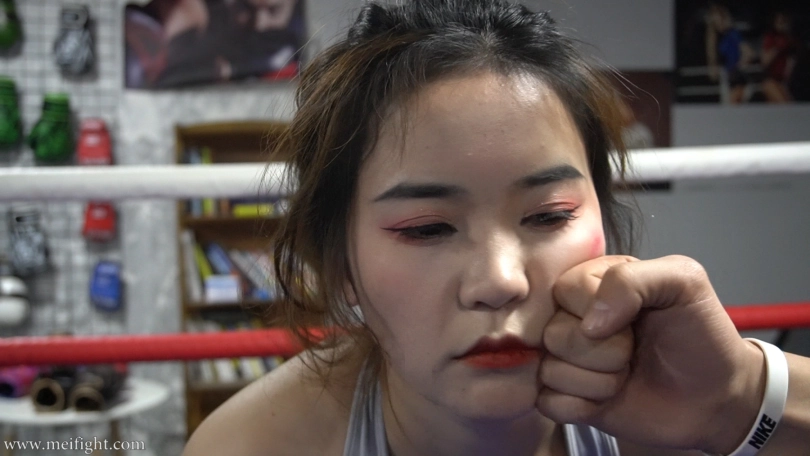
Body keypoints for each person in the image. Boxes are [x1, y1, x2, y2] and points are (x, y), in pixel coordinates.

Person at [183, 1, 810, 455]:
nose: (500, 281)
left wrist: (737, 398)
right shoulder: (255, 444)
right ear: (340, 262)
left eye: (549, 215)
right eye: (427, 228)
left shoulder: (676, 408)